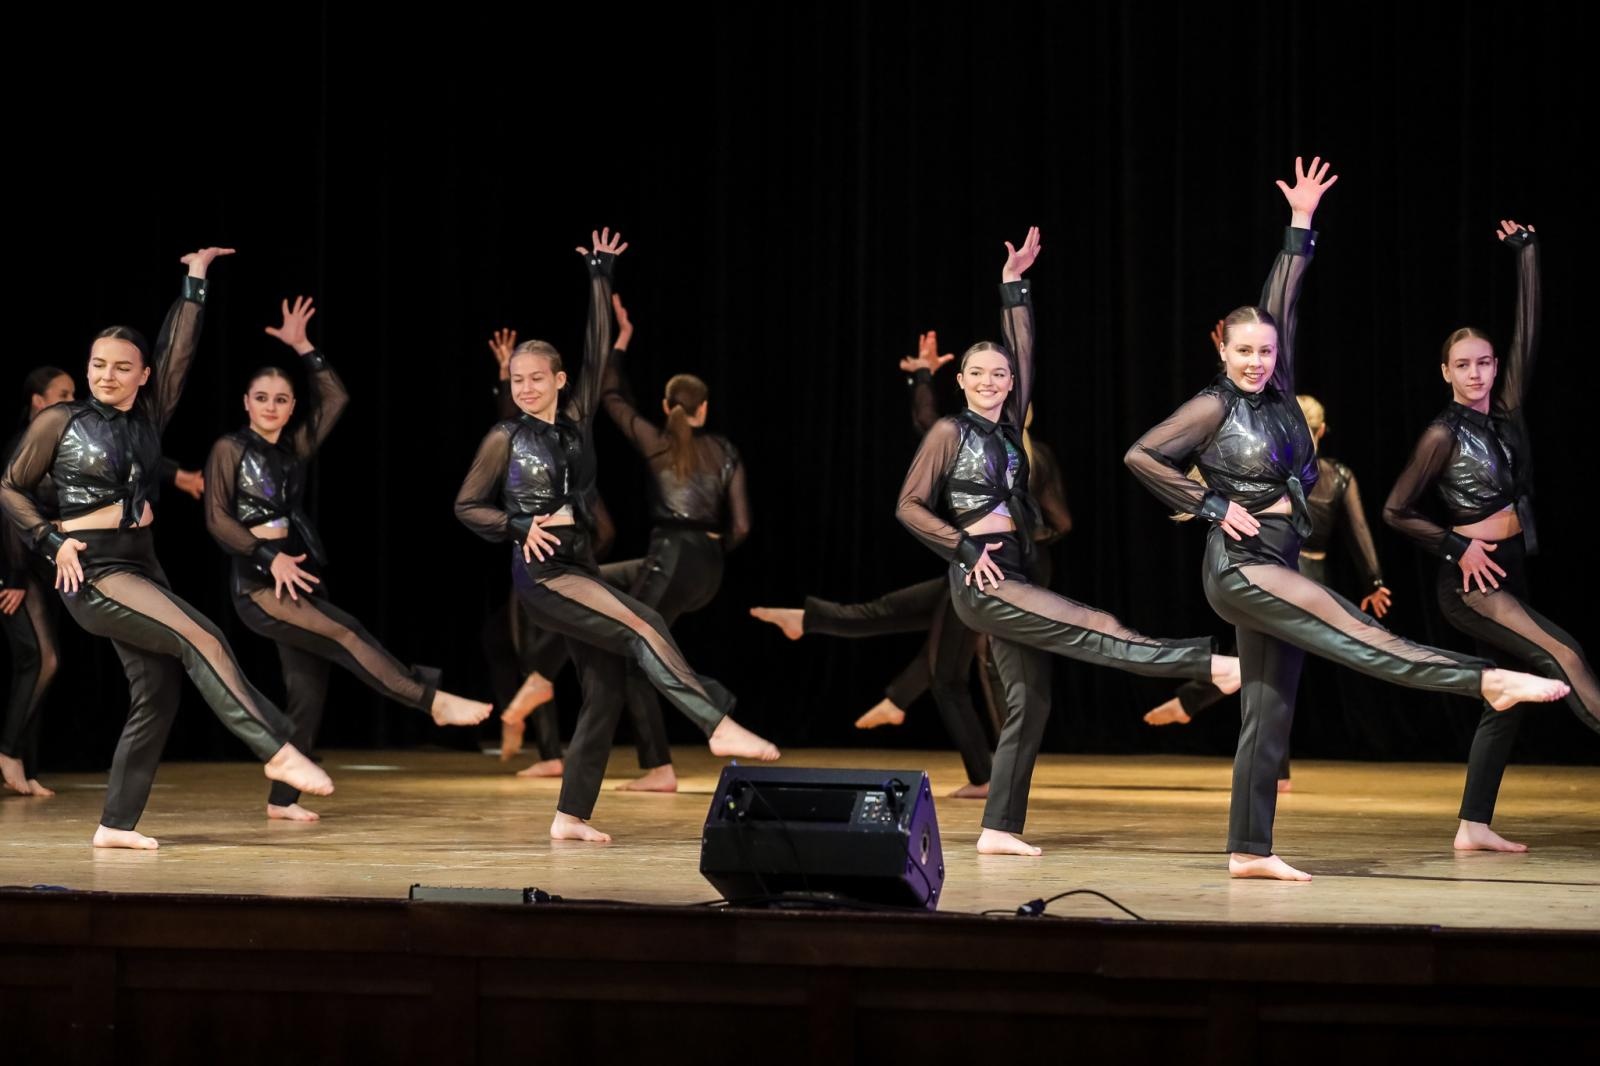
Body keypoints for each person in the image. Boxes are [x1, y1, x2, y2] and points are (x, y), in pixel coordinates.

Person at [1127, 159, 1568, 881]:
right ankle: (1485, 681)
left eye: (1266, 352)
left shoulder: (1278, 392)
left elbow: (1283, 302)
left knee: (1268, 715)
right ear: (1221, 350)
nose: (1257, 362)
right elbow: (1141, 456)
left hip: (1278, 555)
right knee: (1358, 633)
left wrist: (1300, 227)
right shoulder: (1212, 405)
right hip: (1243, 567)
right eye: (1244, 351)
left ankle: (1248, 849)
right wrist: (1211, 502)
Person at [898, 226, 1238, 856]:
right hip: (984, 574)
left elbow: (1024, 350)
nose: (993, 381)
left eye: (999, 374)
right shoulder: (949, 432)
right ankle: (1207, 665)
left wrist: (1013, 290)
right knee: (1093, 623)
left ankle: (998, 828)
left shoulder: (1007, 429)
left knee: (1031, 700)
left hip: (1018, 568)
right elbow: (910, 506)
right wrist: (964, 548)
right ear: (962, 382)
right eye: (979, 374)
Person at [455, 229, 779, 843]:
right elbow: (466, 505)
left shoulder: (576, 421)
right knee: (645, 625)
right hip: (545, 576)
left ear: (557, 380)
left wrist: (600, 278)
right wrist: (519, 524)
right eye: (516, 380)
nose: (524, 388)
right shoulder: (505, 439)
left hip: (582, 569)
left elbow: (597, 347)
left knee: (603, 691)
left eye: (534, 378)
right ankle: (716, 722)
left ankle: (569, 815)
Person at [0, 247, 331, 849]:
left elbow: (179, 350)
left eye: (121, 366)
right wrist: (51, 541)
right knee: (201, 636)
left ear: (142, 374)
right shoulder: (61, 420)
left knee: (159, 690)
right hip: (92, 568)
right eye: (98, 364)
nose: (106, 375)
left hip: (140, 560)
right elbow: (11, 488)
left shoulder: (149, 417)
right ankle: (277, 749)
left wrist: (195, 280)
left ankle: (115, 825)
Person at [204, 295, 490, 822]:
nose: (271, 406)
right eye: (262, 397)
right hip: (259, 583)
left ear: (291, 407)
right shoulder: (229, 448)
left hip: (297, 572)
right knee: (347, 633)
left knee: (309, 688)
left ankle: (282, 800)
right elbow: (218, 519)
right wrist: (269, 556)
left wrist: (305, 348)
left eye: (282, 399)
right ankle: (432, 702)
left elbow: (335, 398)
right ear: (246, 401)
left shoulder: (291, 450)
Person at [1383, 219, 1599, 853]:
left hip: (1510, 565)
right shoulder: (1440, 434)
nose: (1475, 374)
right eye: (1462, 366)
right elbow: (1396, 509)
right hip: (1472, 581)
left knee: (1505, 701)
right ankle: (1472, 823)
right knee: (1568, 655)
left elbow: (1527, 334)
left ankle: (1473, 824)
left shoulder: (1505, 414)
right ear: (1445, 372)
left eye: (1483, 364)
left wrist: (1527, 255)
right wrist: (1459, 545)